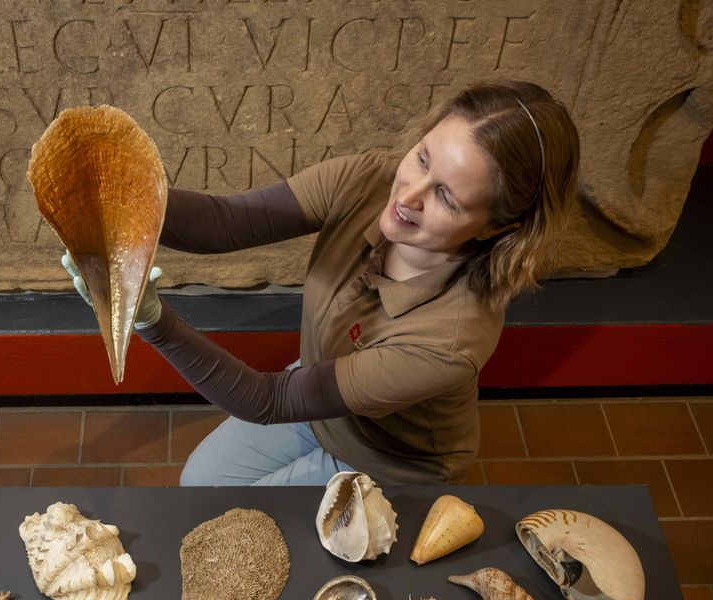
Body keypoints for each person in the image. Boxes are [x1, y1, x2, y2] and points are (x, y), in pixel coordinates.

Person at [63, 81, 580, 487]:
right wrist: (121, 194)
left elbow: (268, 400)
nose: (408, 196)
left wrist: (152, 321)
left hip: (389, 459)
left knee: (236, 512)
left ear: (497, 227)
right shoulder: (369, 179)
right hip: (320, 387)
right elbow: (226, 222)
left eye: (446, 197)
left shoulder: (450, 342)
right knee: (202, 481)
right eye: (422, 158)